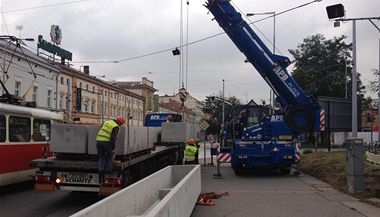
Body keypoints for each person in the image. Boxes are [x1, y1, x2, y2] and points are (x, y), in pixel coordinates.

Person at [96, 116, 126, 182]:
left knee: (102, 156)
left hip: (98, 141)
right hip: (106, 142)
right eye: (121, 124)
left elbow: (101, 128)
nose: (121, 125)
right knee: (111, 155)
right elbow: (113, 138)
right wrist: (113, 147)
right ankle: (108, 170)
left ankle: (101, 170)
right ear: (119, 123)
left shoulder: (107, 122)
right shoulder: (115, 126)